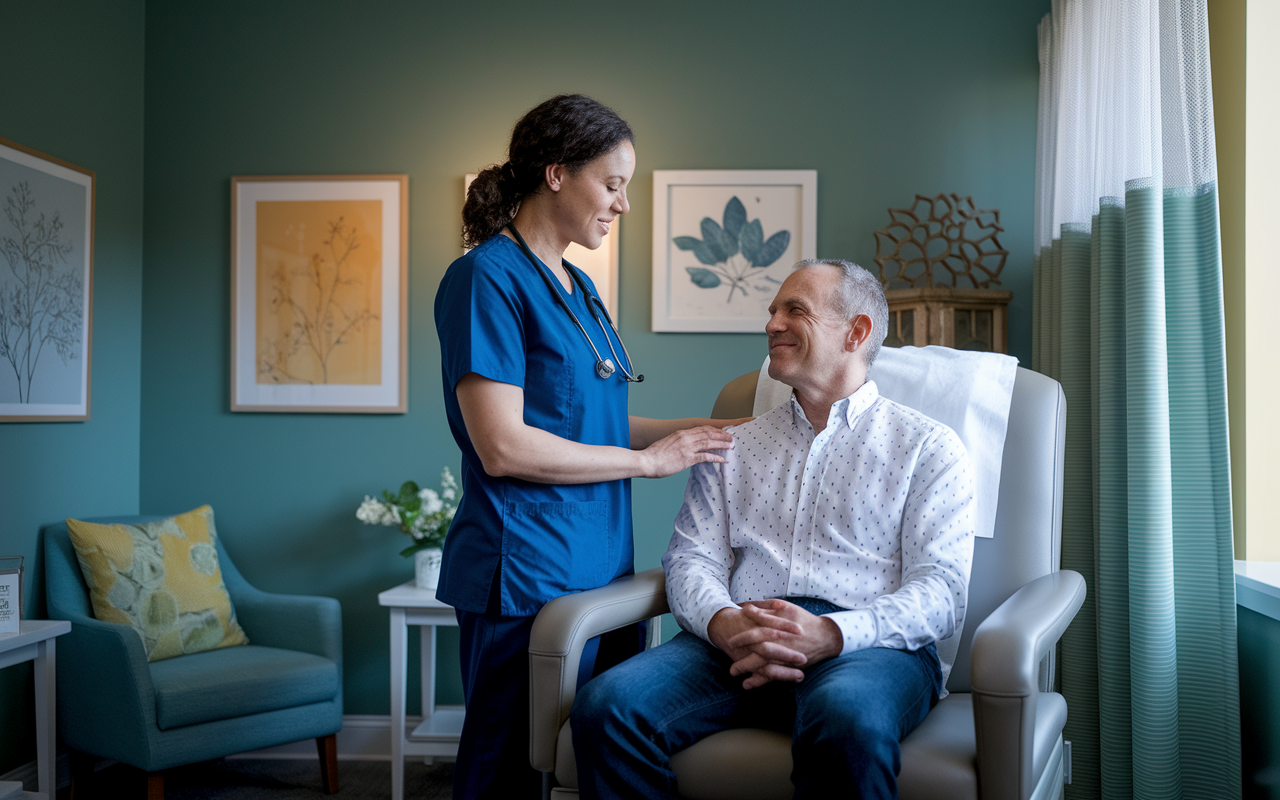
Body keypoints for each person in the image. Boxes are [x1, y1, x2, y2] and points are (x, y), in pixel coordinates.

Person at [571, 259, 977, 800]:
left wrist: (832, 634)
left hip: (869, 646)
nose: (771, 323)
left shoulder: (928, 448)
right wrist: (724, 623)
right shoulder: (734, 445)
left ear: (856, 332)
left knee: (846, 721)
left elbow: (943, 593)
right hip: (740, 635)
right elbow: (692, 560)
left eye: (795, 310)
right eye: (772, 310)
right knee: (606, 709)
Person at [434, 94, 744, 799]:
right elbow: (503, 446)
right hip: (526, 571)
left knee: (592, 759)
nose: (623, 205)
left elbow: (593, 426)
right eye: (613, 184)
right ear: (555, 175)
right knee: (506, 770)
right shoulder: (485, 279)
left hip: (604, 570)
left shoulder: (579, 288)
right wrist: (648, 463)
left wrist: (711, 434)